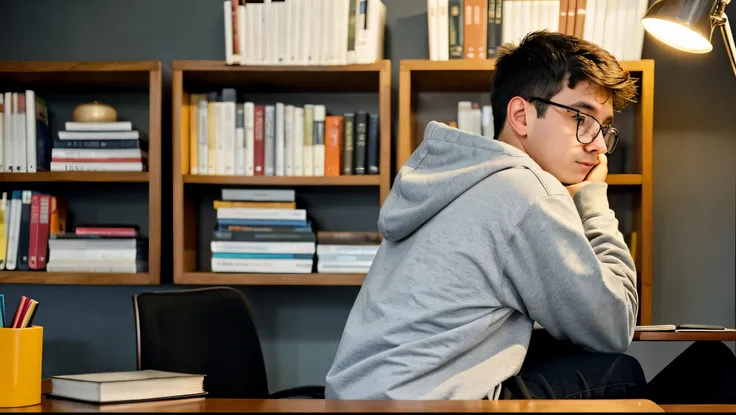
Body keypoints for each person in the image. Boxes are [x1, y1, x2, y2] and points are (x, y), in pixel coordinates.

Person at [324, 29, 644, 400]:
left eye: (605, 129)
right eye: (581, 119)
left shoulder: (459, 179)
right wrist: (592, 200)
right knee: (621, 372)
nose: (599, 147)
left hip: (358, 401)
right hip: (429, 407)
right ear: (522, 115)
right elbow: (615, 325)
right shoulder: (525, 192)